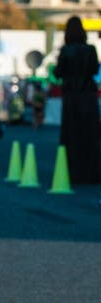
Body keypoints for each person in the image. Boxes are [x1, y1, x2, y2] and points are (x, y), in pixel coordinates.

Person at [54, 16, 100, 184]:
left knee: (72, 136)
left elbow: (58, 73)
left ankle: (72, 172)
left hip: (71, 97)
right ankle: (92, 172)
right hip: (88, 96)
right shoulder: (91, 49)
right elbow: (94, 69)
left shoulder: (66, 50)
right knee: (90, 135)